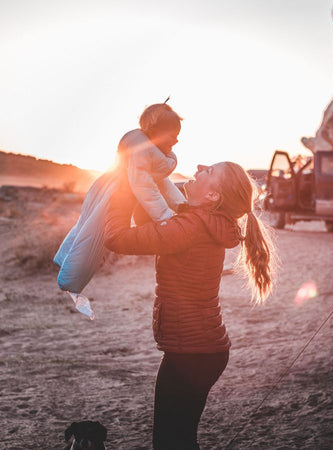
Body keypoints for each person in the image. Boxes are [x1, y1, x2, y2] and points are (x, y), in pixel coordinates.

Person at [104, 161, 276, 449]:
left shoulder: (191, 226)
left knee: (170, 444)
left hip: (191, 353)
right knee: (179, 440)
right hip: (203, 351)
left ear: (212, 197)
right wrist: (141, 189)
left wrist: (122, 190)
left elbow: (115, 237)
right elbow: (155, 231)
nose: (200, 166)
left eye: (209, 171)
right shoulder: (205, 224)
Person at [53, 103, 186, 314]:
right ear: (155, 133)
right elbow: (144, 186)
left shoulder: (153, 154)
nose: (177, 140)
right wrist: (165, 216)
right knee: (91, 235)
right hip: (115, 194)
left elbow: (163, 183)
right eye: (173, 135)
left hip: (123, 194)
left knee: (88, 232)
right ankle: (70, 277)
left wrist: (182, 205)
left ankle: (68, 269)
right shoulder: (140, 152)